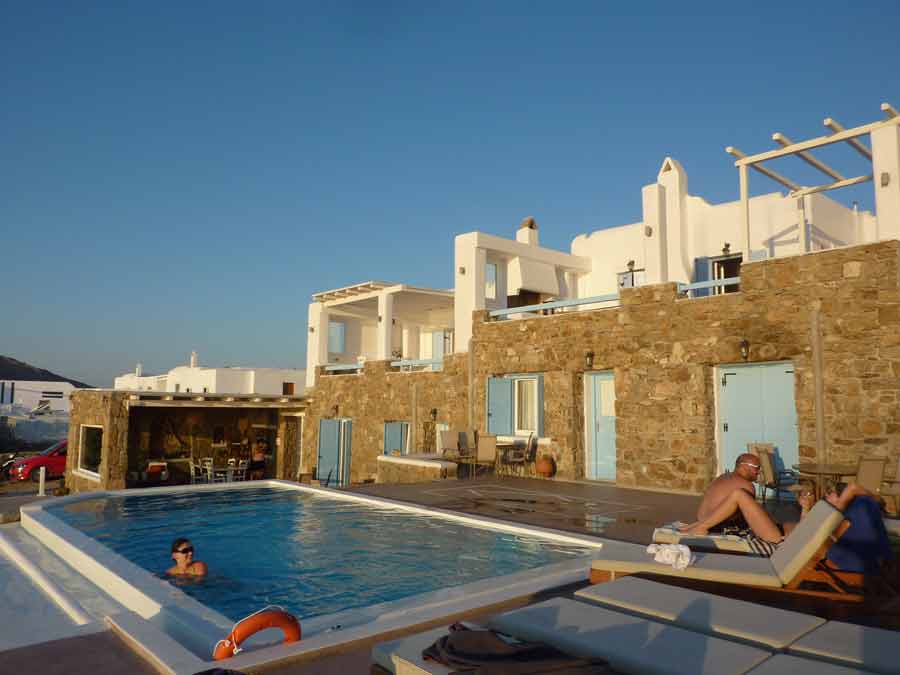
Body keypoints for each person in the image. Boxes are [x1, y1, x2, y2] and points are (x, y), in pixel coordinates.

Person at [679, 453, 808, 553]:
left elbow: (720, 512)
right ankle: (701, 527)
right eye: (757, 468)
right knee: (739, 495)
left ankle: (700, 526)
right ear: (743, 466)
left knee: (787, 525)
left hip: (711, 524)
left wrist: (805, 509)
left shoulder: (722, 477)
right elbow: (747, 517)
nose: (759, 472)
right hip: (773, 538)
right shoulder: (746, 485)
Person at [821, 480, 893, 574]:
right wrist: (876, 498)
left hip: (851, 568)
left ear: (842, 495)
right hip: (877, 565)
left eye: (829, 493)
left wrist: (838, 506)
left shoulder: (843, 513)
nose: (826, 496)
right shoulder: (865, 503)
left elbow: (853, 487)